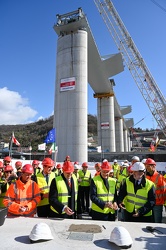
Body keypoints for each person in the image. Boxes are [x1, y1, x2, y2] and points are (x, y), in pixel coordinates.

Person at [145, 158, 166, 223]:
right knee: (149, 222)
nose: (147, 168)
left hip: (157, 204)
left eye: (148, 166)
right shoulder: (145, 177)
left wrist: (162, 202)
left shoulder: (160, 177)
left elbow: (164, 191)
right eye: (146, 166)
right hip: (148, 203)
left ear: (153, 166)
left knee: (157, 223)